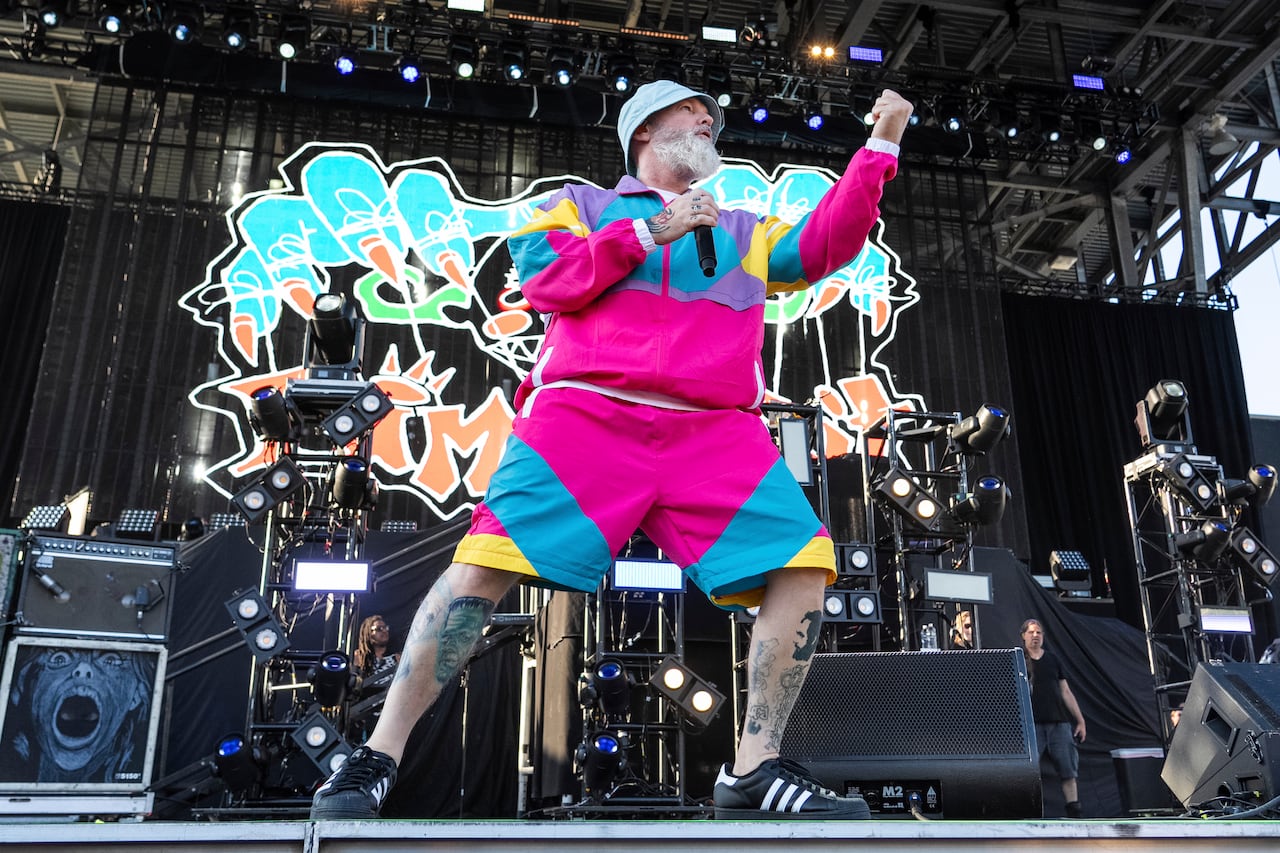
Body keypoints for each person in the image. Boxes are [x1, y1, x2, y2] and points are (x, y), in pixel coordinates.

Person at [310, 79, 913, 821]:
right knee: (481, 568)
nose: (708, 119)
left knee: (805, 563)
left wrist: (879, 145)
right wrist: (652, 231)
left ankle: (753, 769)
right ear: (644, 130)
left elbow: (826, 244)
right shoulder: (581, 205)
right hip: (584, 413)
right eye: (691, 109)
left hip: (711, 427)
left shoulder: (745, 230)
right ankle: (379, 753)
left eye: (711, 115)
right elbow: (544, 280)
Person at [1020, 618, 1087, 818]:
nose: (1035, 635)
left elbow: (1065, 691)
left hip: (1059, 723)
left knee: (1068, 770)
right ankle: (1029, 812)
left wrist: (1080, 720)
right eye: (1031, 632)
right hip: (1032, 726)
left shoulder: (1052, 659)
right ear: (1023, 635)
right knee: (1028, 771)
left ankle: (1074, 812)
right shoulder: (1019, 659)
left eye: (1039, 632)